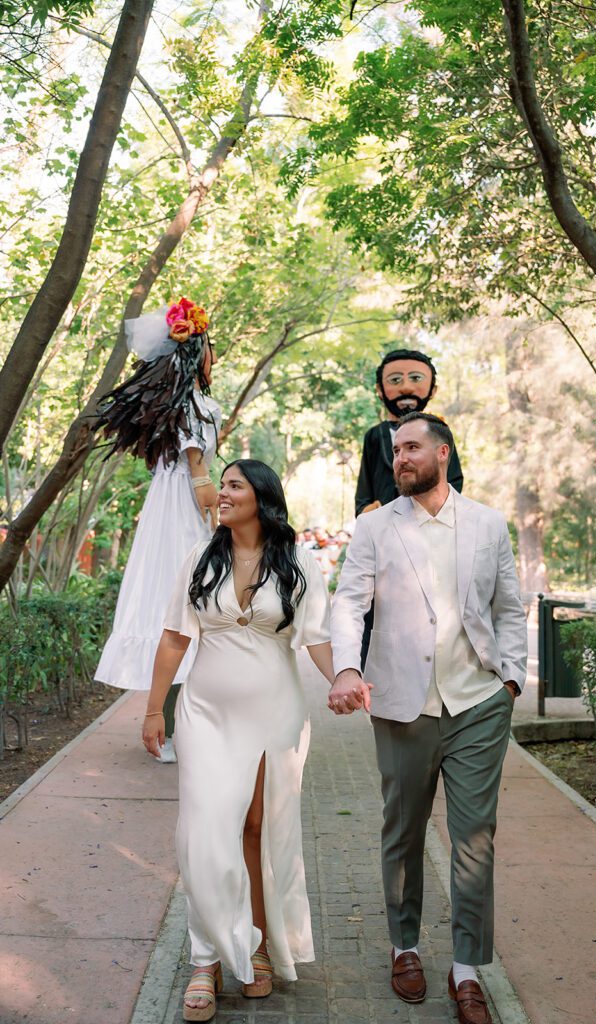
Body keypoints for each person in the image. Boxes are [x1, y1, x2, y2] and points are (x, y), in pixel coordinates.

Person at [329, 412, 527, 1024]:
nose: (401, 459)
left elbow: (509, 609)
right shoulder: (376, 528)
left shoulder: (489, 524)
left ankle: (467, 970)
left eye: (413, 448)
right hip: (402, 704)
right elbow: (348, 603)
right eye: (396, 450)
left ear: (443, 453)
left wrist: (511, 679)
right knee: (404, 829)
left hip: (477, 704)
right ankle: (404, 946)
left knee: (474, 838)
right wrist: (344, 670)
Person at [142, 459, 334, 1022]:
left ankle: (255, 945)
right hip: (206, 712)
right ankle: (206, 958)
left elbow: (317, 639)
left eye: (232, 486)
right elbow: (175, 639)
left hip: (275, 712)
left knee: (256, 829)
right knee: (203, 829)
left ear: (261, 497)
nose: (219, 493)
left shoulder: (299, 562)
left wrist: (344, 679)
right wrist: (155, 710)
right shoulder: (201, 560)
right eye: (220, 484)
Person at [94, 297, 221, 763]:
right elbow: (196, 461)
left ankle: (170, 726)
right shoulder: (198, 404)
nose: (213, 356)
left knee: (176, 606)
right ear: (193, 352)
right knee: (186, 603)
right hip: (183, 507)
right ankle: (169, 728)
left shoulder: (177, 403)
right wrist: (210, 496)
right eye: (209, 347)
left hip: (167, 505)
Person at [355, 348, 463, 516]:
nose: (406, 387)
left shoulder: (440, 431)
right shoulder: (374, 436)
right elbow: (364, 487)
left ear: (433, 390)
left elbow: (454, 479)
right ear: (380, 390)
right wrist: (365, 510)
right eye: (395, 380)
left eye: (416, 378)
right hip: (385, 522)